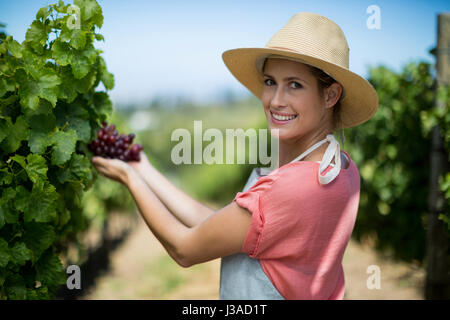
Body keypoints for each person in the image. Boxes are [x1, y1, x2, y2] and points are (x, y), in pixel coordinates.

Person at [91, 12, 378, 300]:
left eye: (295, 85)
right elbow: (220, 225)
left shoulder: (286, 190)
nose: (276, 100)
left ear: (330, 96)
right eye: (269, 82)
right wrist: (143, 169)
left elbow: (184, 249)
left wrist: (129, 179)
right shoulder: (343, 168)